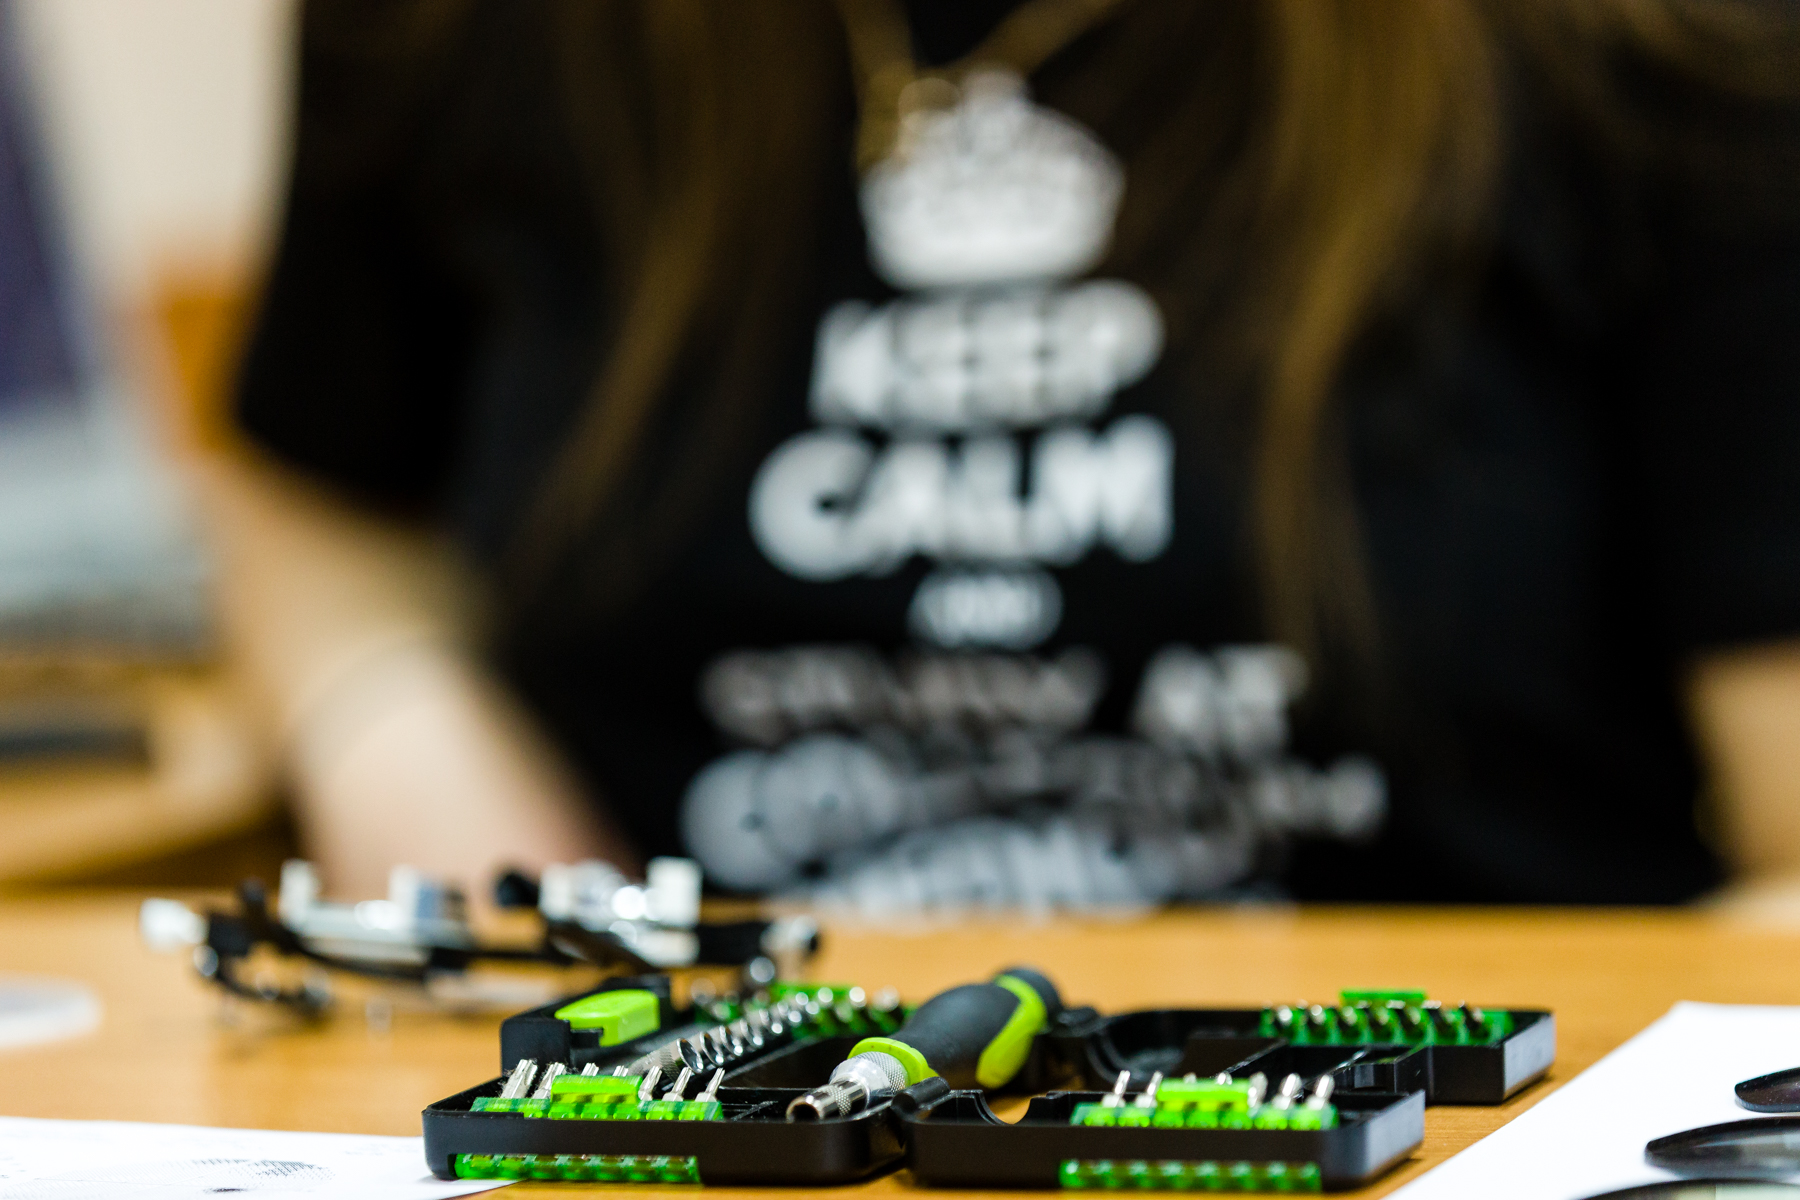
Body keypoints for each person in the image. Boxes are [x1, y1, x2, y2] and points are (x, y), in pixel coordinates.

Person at [213, 0, 1800, 909]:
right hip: (722, 1099)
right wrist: (399, 743)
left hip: (1439, 1107)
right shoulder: (448, 33)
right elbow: (323, 507)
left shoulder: (1672, 46)